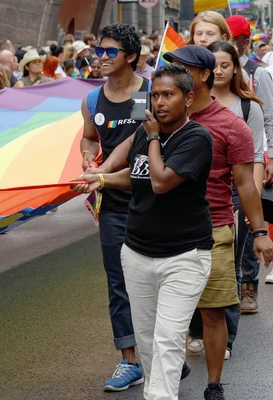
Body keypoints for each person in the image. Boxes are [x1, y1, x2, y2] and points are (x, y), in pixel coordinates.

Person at [94, 44, 273, 400]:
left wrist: (259, 231)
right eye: (168, 69)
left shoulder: (227, 126)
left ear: (198, 82)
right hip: (148, 240)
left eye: (182, 69)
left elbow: (244, 184)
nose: (159, 99)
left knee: (210, 313)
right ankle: (169, 369)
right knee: (157, 333)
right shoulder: (152, 118)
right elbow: (134, 155)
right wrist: (99, 173)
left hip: (211, 231)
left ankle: (213, 384)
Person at [74, 63, 214, 400]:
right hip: (137, 253)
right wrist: (103, 178)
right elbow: (137, 177)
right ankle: (156, 392)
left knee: (167, 338)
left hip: (184, 257)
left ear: (189, 98)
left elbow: (160, 181)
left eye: (169, 95)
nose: (160, 102)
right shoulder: (143, 135)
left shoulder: (196, 138)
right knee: (149, 341)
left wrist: (152, 137)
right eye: (156, 96)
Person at [79, 23, 148, 392]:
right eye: (98, 50)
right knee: (118, 282)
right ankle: (130, 360)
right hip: (113, 205)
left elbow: (140, 139)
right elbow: (89, 139)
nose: (100, 57)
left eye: (110, 52)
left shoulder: (150, 94)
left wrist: (104, 169)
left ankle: (158, 350)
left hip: (154, 203)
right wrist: (89, 159)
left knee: (150, 280)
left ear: (131, 56)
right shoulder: (92, 101)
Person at [205, 40, 266, 361]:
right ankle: (197, 330)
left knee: (228, 268)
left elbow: (255, 157)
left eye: (225, 65)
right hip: (199, 196)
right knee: (196, 267)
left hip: (236, 193)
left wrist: (251, 206)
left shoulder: (247, 108)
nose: (218, 71)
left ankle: (225, 337)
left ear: (235, 69)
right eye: (212, 65)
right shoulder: (191, 104)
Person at [226, 14, 273, 314]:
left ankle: (249, 285)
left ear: (243, 42)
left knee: (250, 220)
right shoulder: (208, 74)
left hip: (254, 158)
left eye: (231, 39)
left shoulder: (259, 74)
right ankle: (226, 286)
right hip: (220, 163)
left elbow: (268, 120)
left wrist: (270, 159)